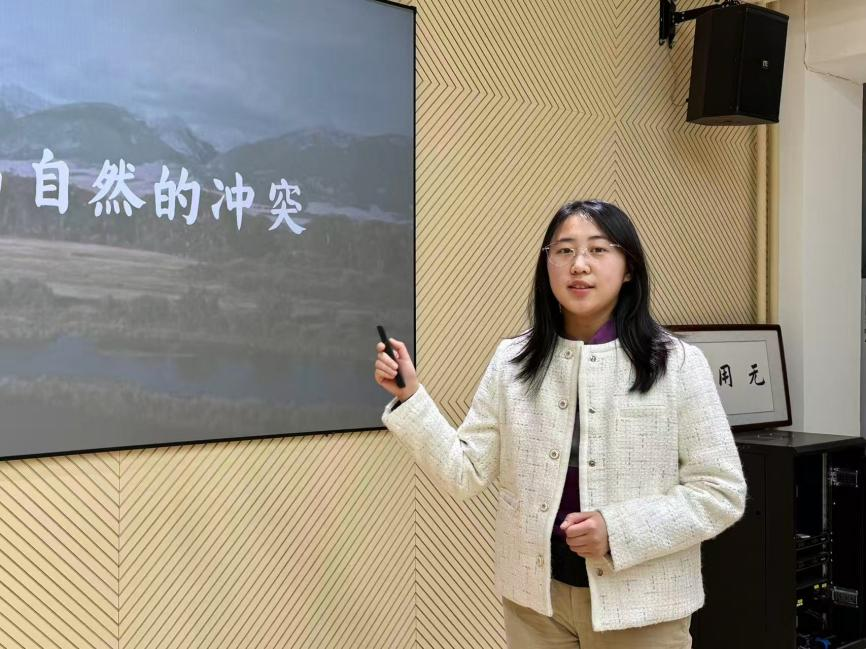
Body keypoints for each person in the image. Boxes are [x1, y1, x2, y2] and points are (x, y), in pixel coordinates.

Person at [373, 200, 746, 648]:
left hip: (640, 604)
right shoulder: (513, 361)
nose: (579, 265)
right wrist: (411, 396)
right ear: (546, 264)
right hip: (536, 603)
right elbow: (465, 472)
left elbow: (720, 492)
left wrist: (617, 530)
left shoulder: (678, 364)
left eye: (598, 250)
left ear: (629, 267)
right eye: (564, 251)